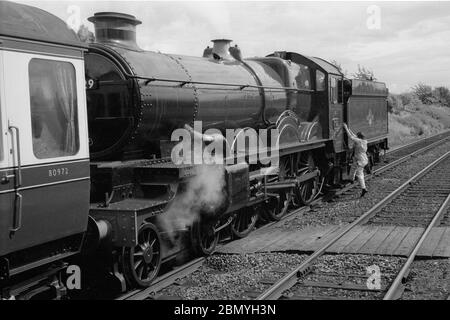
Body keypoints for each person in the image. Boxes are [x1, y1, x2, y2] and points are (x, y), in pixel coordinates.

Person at [343, 123, 368, 197]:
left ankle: (360, 186)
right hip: (364, 159)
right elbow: (354, 136)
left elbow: (351, 137)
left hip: (359, 160)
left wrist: (346, 128)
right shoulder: (364, 141)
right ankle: (353, 180)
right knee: (356, 170)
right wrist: (348, 128)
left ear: (359, 137)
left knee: (358, 173)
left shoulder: (359, 141)